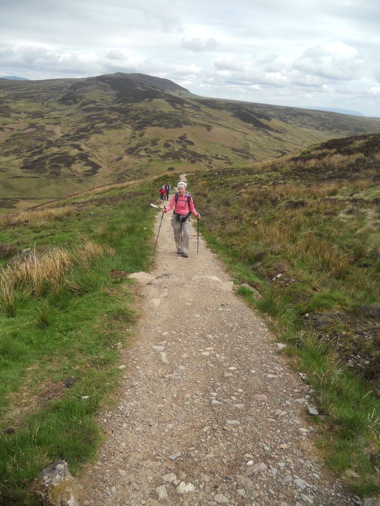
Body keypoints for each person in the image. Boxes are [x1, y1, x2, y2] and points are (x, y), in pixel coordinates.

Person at [163, 181, 200, 258]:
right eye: (179, 189)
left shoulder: (189, 197)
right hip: (176, 216)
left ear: (185, 189)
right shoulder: (176, 196)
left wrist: (196, 214)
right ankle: (179, 248)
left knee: (186, 233)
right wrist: (166, 209)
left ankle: (184, 251)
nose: (180, 191)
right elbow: (170, 206)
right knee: (177, 234)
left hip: (186, 217)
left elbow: (192, 208)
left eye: (182, 189)